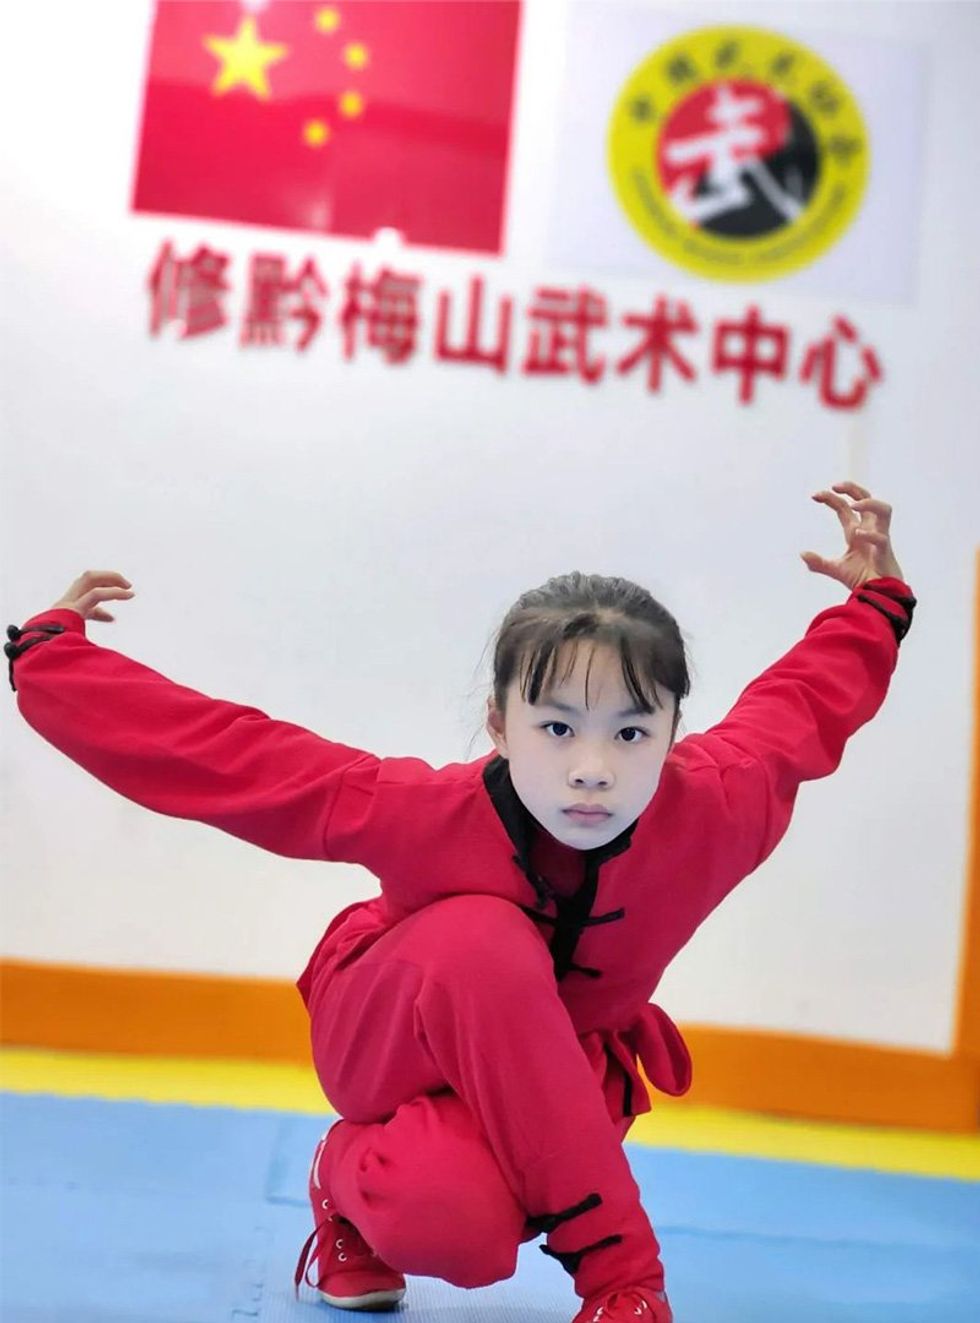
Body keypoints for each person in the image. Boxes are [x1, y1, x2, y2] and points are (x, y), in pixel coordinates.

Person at [5, 481, 915, 1323]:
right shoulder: (429, 811)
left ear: (674, 730)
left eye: (631, 732)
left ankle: (345, 1189)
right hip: (386, 1027)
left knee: (463, 1229)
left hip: (545, 1066)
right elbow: (233, 757)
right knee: (485, 939)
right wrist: (51, 662)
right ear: (500, 724)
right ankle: (623, 1281)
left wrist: (876, 606)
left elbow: (805, 705)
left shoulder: (719, 804)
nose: (591, 768)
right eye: (556, 727)